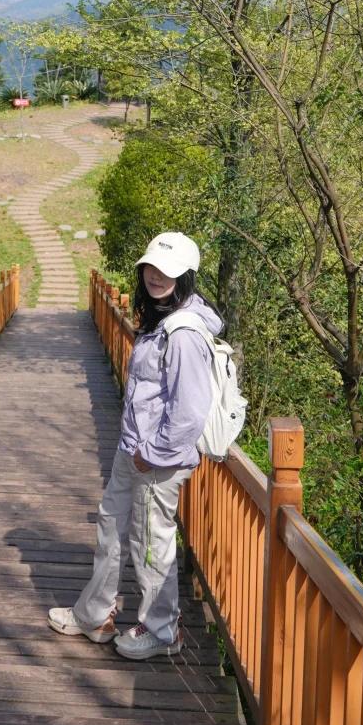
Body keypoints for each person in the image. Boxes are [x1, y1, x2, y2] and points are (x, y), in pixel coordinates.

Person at [48, 231, 221, 659]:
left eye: (167, 271)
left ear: (185, 276)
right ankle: (95, 615)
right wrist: (136, 448)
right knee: (111, 527)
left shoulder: (183, 332)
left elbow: (189, 411)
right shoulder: (161, 318)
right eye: (151, 268)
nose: (156, 277)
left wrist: (152, 454)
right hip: (133, 450)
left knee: (150, 543)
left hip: (157, 459)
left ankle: (162, 631)